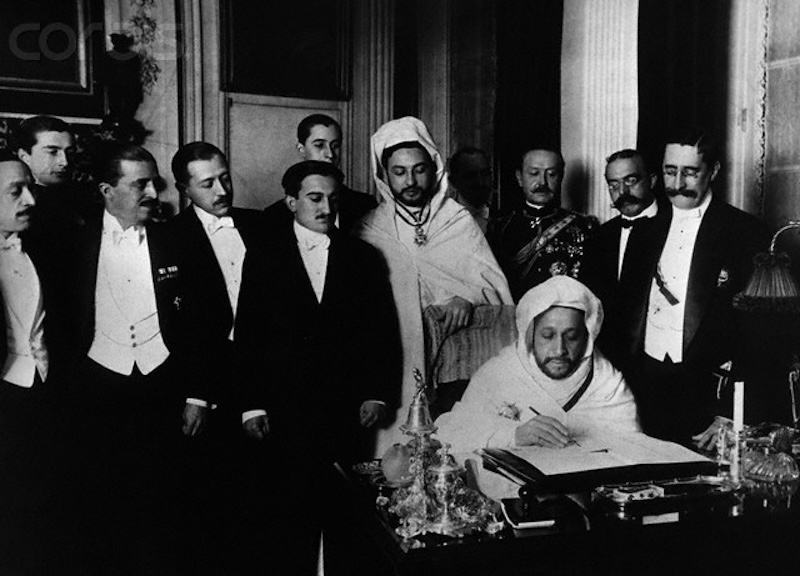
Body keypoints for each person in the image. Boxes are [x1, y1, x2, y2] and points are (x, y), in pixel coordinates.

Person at [235, 160, 400, 573]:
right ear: (291, 202)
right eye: (314, 198)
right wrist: (252, 404)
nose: (326, 207)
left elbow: (381, 331)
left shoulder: (362, 256)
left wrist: (377, 392)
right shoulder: (265, 254)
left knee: (347, 509)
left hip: (345, 408)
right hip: (284, 407)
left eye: (332, 198)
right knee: (290, 510)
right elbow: (249, 333)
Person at [70, 143, 209, 573]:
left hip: (163, 388)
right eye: (140, 184)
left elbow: (203, 321)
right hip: (98, 391)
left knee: (168, 509)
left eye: (155, 182)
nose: (153, 192)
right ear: (107, 190)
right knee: (102, 511)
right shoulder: (74, 242)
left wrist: (198, 395)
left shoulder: (178, 240)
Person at [354, 116, 512, 456]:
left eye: (419, 169)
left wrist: (468, 299)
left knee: (454, 454)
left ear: (434, 167)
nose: (410, 180)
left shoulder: (457, 221)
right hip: (396, 366)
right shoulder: (368, 229)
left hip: (455, 368)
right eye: (399, 172)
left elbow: (493, 292)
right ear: (384, 174)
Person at [626, 130, 769, 445]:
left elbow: (759, 335)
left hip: (709, 403)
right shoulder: (643, 233)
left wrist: (732, 412)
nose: (677, 184)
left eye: (690, 173)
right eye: (669, 171)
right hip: (643, 393)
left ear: (714, 171)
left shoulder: (745, 233)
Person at [169, 141, 264, 572]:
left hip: (261, 377)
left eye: (224, 177)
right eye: (207, 183)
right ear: (184, 189)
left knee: (261, 497)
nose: (222, 189)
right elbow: (177, 330)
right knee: (207, 500)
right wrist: (198, 394)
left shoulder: (261, 227)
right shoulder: (168, 238)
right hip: (206, 385)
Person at [435, 276, 638, 453]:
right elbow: (446, 435)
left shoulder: (606, 382)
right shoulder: (501, 372)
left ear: (587, 337)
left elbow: (635, 448)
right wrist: (514, 435)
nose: (559, 350)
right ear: (529, 335)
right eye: (547, 336)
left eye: (572, 337)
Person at [0, 151, 76, 572]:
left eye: (30, 188)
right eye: (17, 191)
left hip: (47, 399)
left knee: (47, 519)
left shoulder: (46, 248)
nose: (31, 199)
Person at [580, 149, 662, 370]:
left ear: (652, 180)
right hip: (610, 362)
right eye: (613, 185)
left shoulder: (674, 228)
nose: (622, 192)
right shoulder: (599, 237)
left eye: (631, 180)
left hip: (660, 361)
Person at [489, 144, 598, 301]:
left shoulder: (584, 227)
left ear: (561, 177)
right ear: (519, 178)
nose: (543, 182)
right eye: (534, 173)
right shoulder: (499, 229)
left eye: (552, 174)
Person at [263, 113, 376, 232]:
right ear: (301, 149)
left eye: (335, 145)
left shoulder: (364, 205)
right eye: (319, 145)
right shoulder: (275, 214)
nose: (330, 154)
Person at [14, 115, 93, 235]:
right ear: (25, 157)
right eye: (53, 152)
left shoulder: (84, 198)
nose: (64, 162)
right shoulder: (12, 205)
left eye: (69, 152)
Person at [447, 146, 493, 234]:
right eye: (471, 176)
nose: (481, 182)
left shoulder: (506, 221)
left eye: (485, 174)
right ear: (453, 182)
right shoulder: (444, 222)